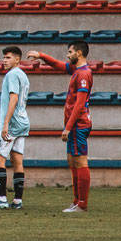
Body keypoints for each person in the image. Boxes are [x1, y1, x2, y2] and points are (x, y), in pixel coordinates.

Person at [27, 39, 94, 214]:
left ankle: (82, 204)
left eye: (70, 52)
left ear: (79, 53)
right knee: (72, 160)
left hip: (78, 125)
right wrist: (41, 56)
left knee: (80, 160)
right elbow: (57, 65)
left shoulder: (83, 74)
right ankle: (76, 201)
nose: (68, 55)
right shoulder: (77, 70)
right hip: (74, 125)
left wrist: (68, 127)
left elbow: (79, 104)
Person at [0, 45, 31, 211]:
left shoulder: (11, 75)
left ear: (17, 59)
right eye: (4, 57)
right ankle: (17, 200)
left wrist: (5, 123)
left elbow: (14, 98)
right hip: (23, 121)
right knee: (17, 160)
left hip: (12, 124)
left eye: (8, 57)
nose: (4, 61)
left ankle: (2, 198)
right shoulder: (23, 75)